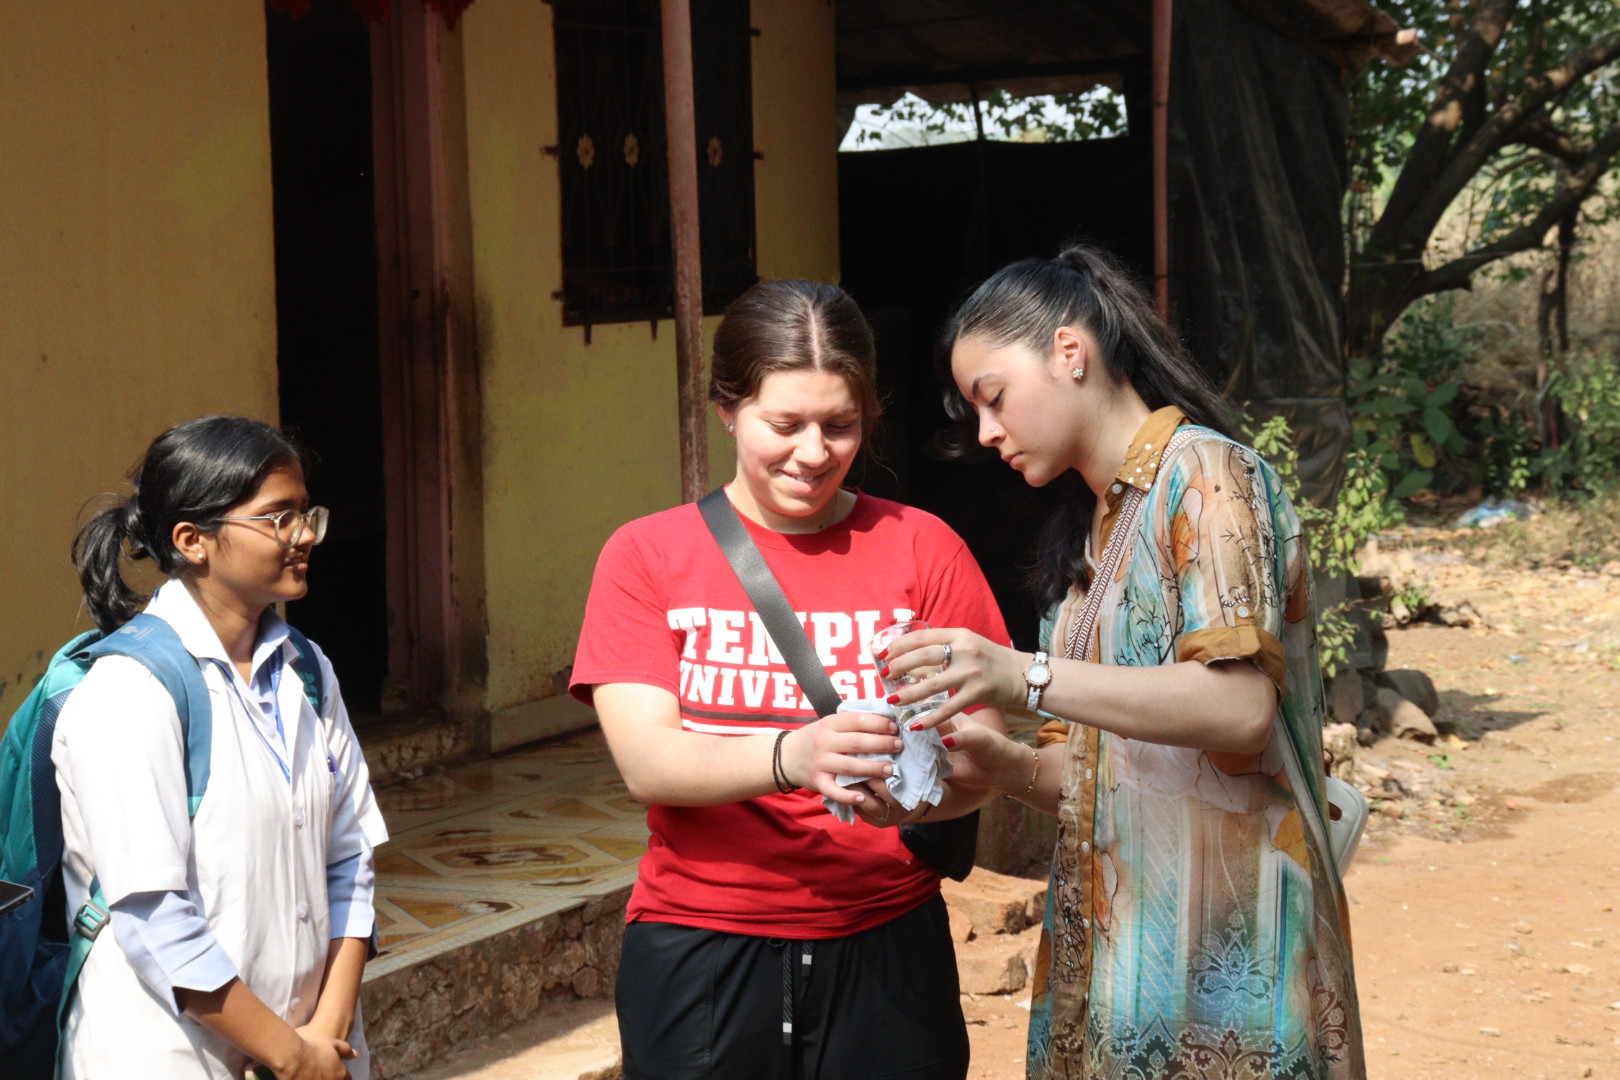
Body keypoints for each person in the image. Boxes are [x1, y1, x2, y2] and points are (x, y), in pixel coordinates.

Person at [880, 245, 1364, 1080]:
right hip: (1118, 977)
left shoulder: (1206, 477)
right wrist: (1002, 764)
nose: (987, 433)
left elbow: (1241, 707)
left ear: (1071, 353)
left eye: (992, 399)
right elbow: (1098, 777)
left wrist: (1021, 673)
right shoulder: (1085, 543)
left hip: (1232, 983)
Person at [571, 278, 1012, 1080]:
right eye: (786, 424)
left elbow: (983, 755)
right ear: (728, 407)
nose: (814, 453)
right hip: (702, 949)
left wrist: (919, 791)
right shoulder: (647, 557)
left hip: (886, 945)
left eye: (840, 425)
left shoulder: (924, 548)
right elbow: (649, 763)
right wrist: (796, 756)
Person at [54, 416, 389, 1080]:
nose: (304, 538)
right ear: (192, 540)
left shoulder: (307, 669)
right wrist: (289, 1054)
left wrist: (325, 1031)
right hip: (169, 1054)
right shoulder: (131, 689)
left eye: (306, 515)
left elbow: (350, 859)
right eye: (277, 518)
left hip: (314, 1048)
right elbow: (153, 915)